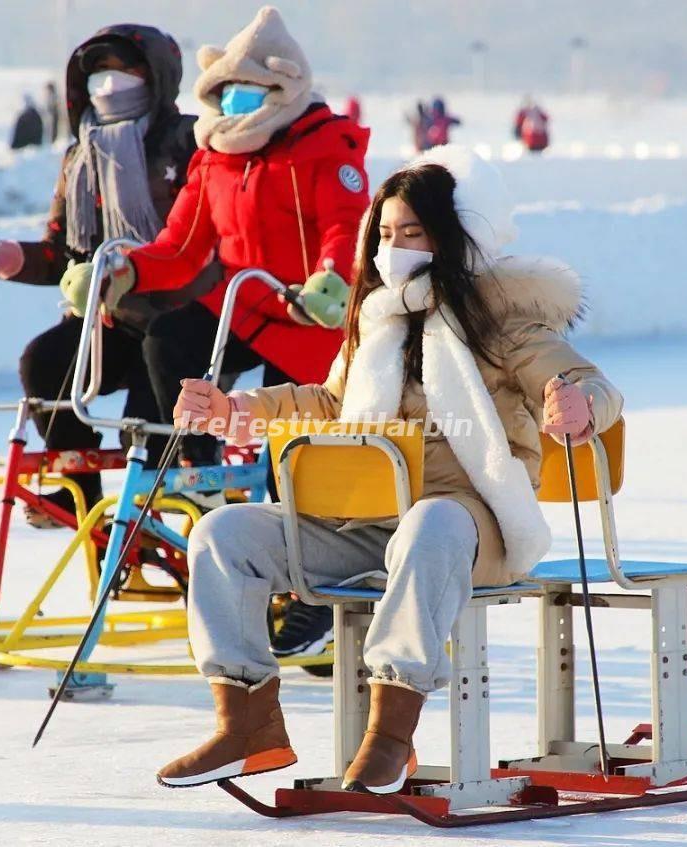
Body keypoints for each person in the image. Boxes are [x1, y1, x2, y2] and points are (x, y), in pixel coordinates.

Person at [153, 146, 623, 793]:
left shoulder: (503, 320)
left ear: (452, 238)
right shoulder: (378, 323)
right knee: (223, 536)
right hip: (366, 519)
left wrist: (576, 402)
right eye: (385, 232)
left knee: (429, 522)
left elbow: (589, 383)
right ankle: (248, 722)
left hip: (467, 526)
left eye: (413, 232)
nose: (394, 246)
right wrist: (240, 407)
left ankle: (391, 732)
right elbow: (327, 402)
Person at [92, 5, 371, 660]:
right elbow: (183, 248)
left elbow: (345, 224)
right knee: (170, 338)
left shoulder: (326, 148)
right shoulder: (214, 157)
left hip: (308, 315)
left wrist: (333, 280)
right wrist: (128, 267)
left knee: (290, 443)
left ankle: (309, 590)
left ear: (284, 89)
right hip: (246, 304)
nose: (236, 106)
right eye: (226, 93)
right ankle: (200, 461)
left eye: (249, 93)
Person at [0, 24, 219, 525]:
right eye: (98, 74)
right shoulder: (79, 156)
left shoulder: (188, 143)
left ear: (155, 77)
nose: (108, 85)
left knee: (145, 427)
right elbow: (65, 254)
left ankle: (169, 513)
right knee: (44, 363)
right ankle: (78, 492)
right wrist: (15, 259)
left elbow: (211, 238)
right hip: (111, 319)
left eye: (123, 72)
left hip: (180, 322)